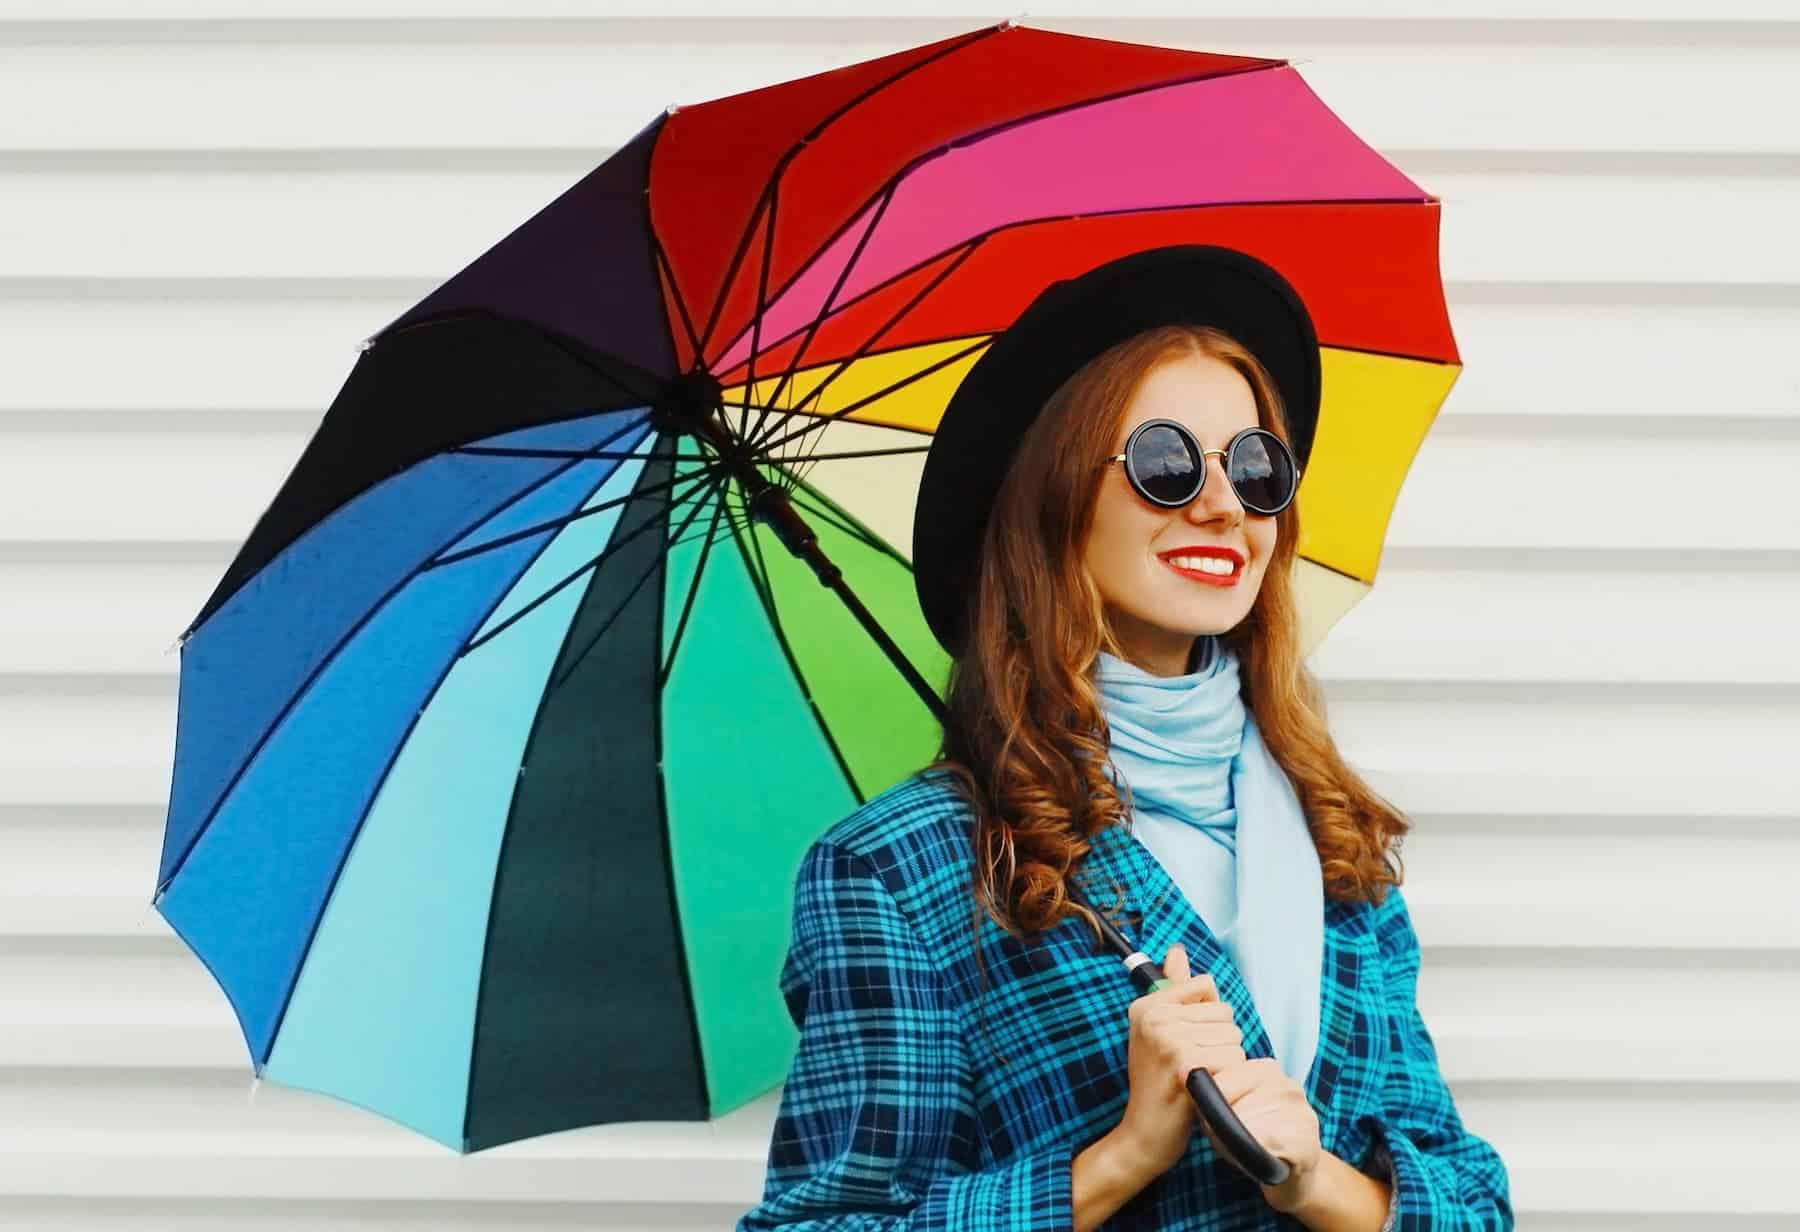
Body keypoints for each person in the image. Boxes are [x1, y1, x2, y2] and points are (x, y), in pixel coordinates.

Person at [736, 246, 1514, 1230]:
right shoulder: (902, 870)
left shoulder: (1333, 831)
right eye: (1164, 460)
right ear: (1055, 496)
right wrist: (1118, 1158)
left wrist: (1311, 1178)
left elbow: (1472, 1204)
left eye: (1255, 464)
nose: (1224, 502)